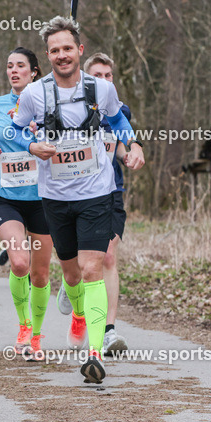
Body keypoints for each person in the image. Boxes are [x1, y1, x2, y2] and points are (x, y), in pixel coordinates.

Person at [11, 16, 144, 384]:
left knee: (92, 268)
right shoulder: (34, 94)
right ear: (48, 55)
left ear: (79, 50)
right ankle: (79, 313)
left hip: (97, 192)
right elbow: (17, 128)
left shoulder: (100, 90)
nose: (62, 55)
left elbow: (119, 123)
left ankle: (95, 353)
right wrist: (30, 144)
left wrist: (133, 145)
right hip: (54, 195)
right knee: (70, 274)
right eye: (55, 50)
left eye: (68, 48)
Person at [0, 48, 55, 361]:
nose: (14, 71)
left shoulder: (48, 104)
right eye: (9, 66)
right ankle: (24, 326)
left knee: (40, 275)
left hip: (43, 198)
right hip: (5, 195)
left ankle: (37, 336)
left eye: (21, 66)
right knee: (20, 263)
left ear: (34, 71)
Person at [86, 52, 136, 355]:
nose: (104, 81)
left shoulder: (120, 109)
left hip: (111, 189)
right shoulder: (71, 108)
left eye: (108, 76)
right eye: (97, 76)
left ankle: (109, 331)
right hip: (76, 192)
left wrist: (128, 154)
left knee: (107, 256)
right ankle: (71, 280)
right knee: (82, 261)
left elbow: (120, 145)